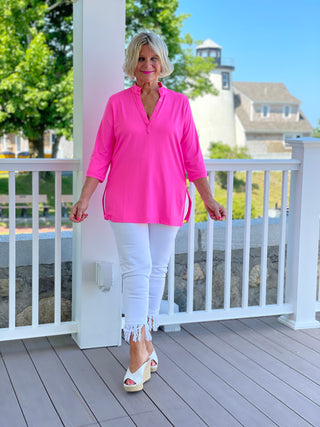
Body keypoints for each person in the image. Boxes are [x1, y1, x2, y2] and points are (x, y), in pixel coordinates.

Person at [70, 31, 226, 392]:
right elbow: (100, 156)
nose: (147, 65)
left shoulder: (181, 105)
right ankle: (137, 351)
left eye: (153, 58)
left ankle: (148, 342)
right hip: (125, 198)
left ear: (163, 63)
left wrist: (209, 199)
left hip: (169, 198)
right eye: (141, 59)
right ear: (132, 64)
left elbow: (193, 159)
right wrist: (84, 198)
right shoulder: (117, 104)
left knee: (157, 270)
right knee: (136, 269)